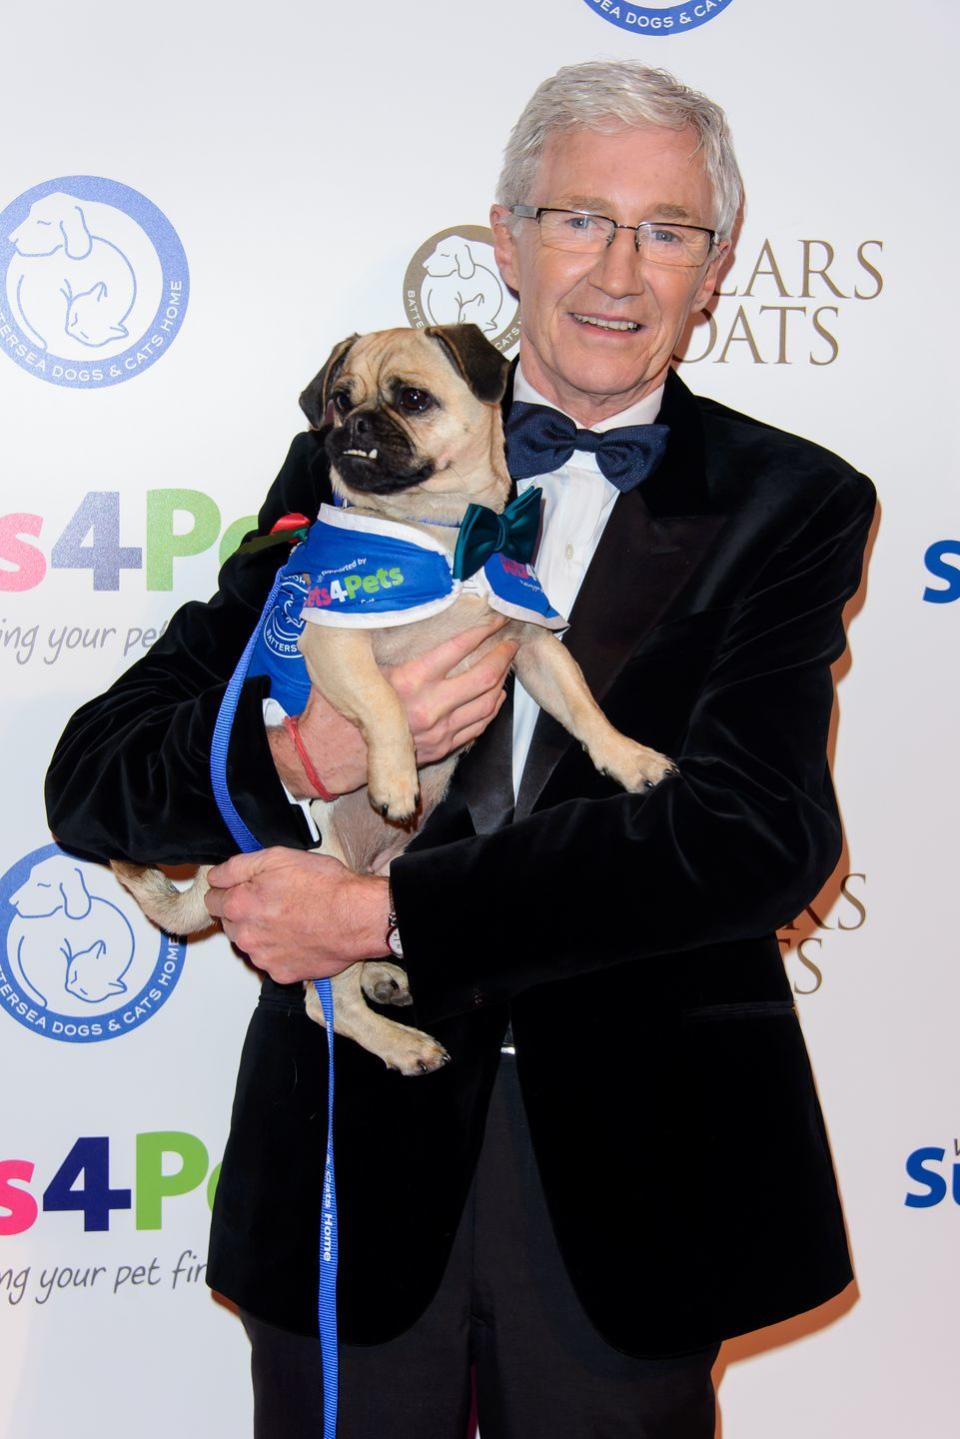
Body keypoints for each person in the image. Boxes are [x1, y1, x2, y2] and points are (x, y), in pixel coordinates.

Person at [45, 61, 875, 1439]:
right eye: (579, 220)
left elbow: (758, 836)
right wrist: (300, 759)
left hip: (638, 1169)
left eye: (668, 230)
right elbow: (97, 777)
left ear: (717, 265)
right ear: (504, 238)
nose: (621, 268)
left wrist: (379, 910)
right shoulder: (339, 476)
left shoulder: (790, 501)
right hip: (350, 1171)